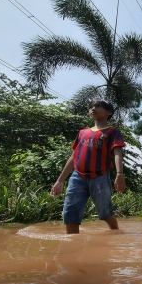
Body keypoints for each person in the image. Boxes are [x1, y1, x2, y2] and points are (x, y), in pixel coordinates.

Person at [50, 99, 126, 234]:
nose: (93, 108)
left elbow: (117, 152)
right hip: (78, 176)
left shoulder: (112, 131)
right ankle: (72, 244)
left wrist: (119, 174)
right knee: (70, 211)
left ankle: (116, 233)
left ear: (109, 112)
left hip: (100, 176)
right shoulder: (82, 133)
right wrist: (60, 180)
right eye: (91, 106)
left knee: (105, 212)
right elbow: (74, 156)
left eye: (98, 106)